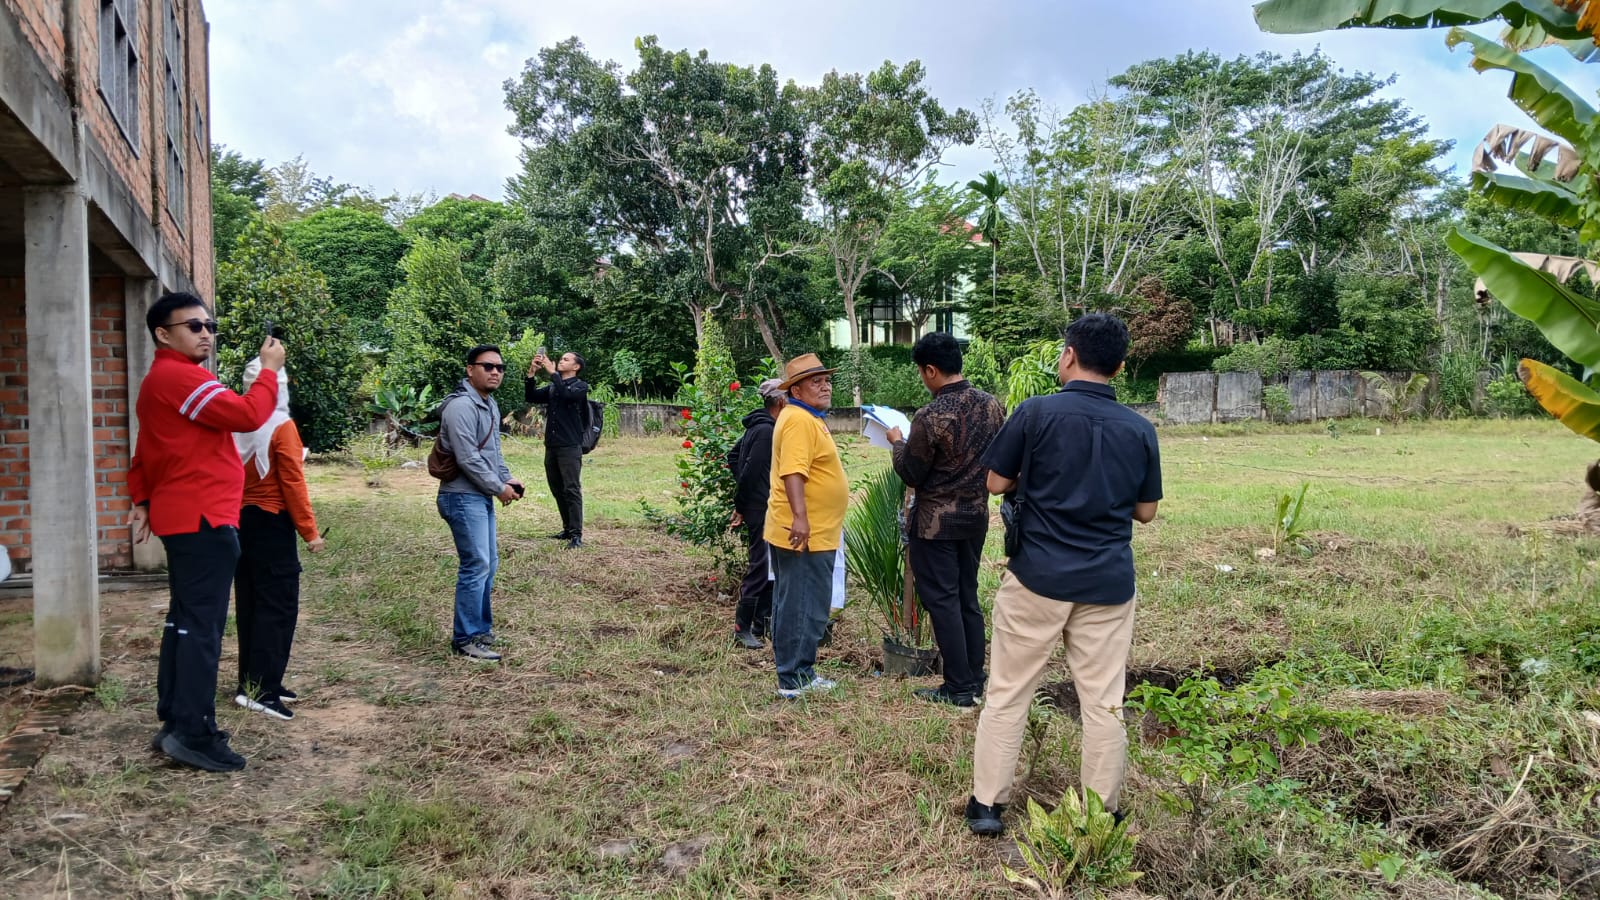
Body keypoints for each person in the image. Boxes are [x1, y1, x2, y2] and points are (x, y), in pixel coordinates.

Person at [964, 313, 1162, 837]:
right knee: (1104, 701)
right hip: (1108, 583)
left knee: (1008, 692)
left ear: (1069, 355)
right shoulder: (1140, 428)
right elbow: (1146, 512)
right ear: (1119, 366)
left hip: (1037, 577)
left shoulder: (1034, 413)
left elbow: (994, 481)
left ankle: (987, 806)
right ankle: (1102, 813)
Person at [129, 291, 285, 772]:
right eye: (193, 326)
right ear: (163, 333)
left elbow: (147, 450)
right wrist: (268, 370)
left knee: (183, 623)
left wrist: (142, 500)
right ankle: (194, 733)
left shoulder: (164, 380)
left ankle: (176, 719)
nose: (206, 334)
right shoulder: (179, 377)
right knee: (201, 628)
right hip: (204, 517)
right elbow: (246, 415)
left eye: (209, 326)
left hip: (188, 516)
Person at [886, 332, 1005, 707]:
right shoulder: (991, 406)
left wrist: (896, 442)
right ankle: (975, 675)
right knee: (967, 597)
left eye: (923, 372)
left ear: (931, 370)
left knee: (943, 602)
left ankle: (958, 687)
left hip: (935, 524)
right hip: (975, 517)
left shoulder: (931, 415)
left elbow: (912, 472)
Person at [232, 357, 326, 722]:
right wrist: (311, 532)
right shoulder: (281, 426)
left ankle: (253, 682)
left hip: (241, 521)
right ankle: (263, 689)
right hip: (272, 521)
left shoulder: (239, 423)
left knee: (251, 604)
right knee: (279, 607)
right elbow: (292, 483)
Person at [764, 353, 849, 699]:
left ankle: (799, 671)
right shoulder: (798, 419)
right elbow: (793, 473)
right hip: (803, 532)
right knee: (802, 605)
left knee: (799, 602)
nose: (825, 385)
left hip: (813, 530)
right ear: (795, 389)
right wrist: (801, 517)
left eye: (826, 379)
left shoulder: (809, 417)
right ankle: (793, 678)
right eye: (816, 381)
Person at [438, 345, 524, 662]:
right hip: (460, 496)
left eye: (500, 368)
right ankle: (465, 639)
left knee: (489, 565)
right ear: (469, 369)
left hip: (479, 495)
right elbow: (468, 459)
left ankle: (480, 630)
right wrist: (497, 487)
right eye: (487, 366)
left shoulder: (489, 405)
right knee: (476, 566)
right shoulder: (460, 407)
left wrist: (508, 479)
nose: (495, 372)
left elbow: (494, 455)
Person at [729, 378, 786, 649]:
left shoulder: (760, 426)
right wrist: (743, 503)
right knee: (760, 566)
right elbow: (750, 470)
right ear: (781, 402)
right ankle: (742, 628)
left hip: (760, 505)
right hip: (761, 508)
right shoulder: (767, 431)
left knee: (768, 566)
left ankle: (762, 624)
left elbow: (733, 456)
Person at [525, 350, 590, 549]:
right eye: (561, 358)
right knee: (557, 488)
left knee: (571, 489)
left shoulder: (580, 386)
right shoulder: (554, 386)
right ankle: (567, 528)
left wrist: (552, 372)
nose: (561, 361)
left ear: (576, 367)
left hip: (570, 445)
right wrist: (531, 374)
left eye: (566, 359)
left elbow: (567, 395)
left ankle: (577, 535)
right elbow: (532, 397)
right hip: (552, 445)